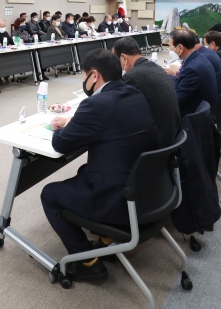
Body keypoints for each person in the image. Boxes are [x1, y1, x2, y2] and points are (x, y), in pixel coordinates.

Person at [40, 49, 158, 283]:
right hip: (148, 188)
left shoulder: (95, 104)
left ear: (94, 75)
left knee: (49, 194)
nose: (84, 81)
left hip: (119, 197)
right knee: (83, 173)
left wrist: (66, 125)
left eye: (84, 76)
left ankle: (88, 263)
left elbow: (60, 143)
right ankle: (107, 240)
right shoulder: (134, 93)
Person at [112, 37, 179, 147]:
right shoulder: (156, 67)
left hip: (158, 142)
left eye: (116, 60)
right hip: (173, 135)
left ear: (123, 57)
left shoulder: (131, 76)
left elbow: (120, 111)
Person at [166, 29, 218, 117]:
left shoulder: (192, 70)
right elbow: (183, 81)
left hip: (192, 117)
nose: (170, 50)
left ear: (180, 48)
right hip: (202, 107)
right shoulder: (199, 58)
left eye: (171, 47)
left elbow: (176, 102)